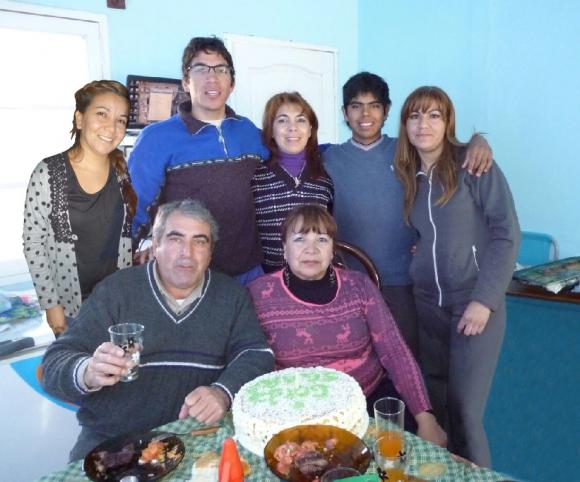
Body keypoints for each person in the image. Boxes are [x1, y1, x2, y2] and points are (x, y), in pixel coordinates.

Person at [41, 199, 275, 461]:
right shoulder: (115, 291)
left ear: (210, 252)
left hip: (197, 438)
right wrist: (88, 372)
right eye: (175, 239)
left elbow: (257, 354)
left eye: (200, 241)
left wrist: (223, 392)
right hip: (112, 443)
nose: (187, 253)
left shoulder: (231, 296)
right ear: (155, 245)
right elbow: (53, 365)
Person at [323, 72, 493, 358]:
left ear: (387, 110)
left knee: (405, 358)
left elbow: (447, 147)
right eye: (356, 106)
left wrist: (478, 140)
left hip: (404, 281)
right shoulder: (329, 157)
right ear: (344, 113)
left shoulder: (408, 151)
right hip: (350, 280)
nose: (365, 114)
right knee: (356, 358)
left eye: (374, 106)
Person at [247, 204, 447, 448]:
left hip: (366, 402)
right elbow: (247, 358)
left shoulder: (359, 286)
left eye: (322, 239)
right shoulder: (259, 294)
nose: (311, 249)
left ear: (332, 250)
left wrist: (426, 418)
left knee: (396, 460)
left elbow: (394, 351)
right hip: (295, 414)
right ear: (284, 249)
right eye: (299, 239)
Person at [394, 86, 520, 467]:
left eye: (434, 115)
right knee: (437, 405)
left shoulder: (474, 165)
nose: (424, 124)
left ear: (448, 122)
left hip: (473, 303)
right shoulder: (409, 174)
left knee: (465, 411)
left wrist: (484, 301)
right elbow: (426, 233)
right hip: (427, 305)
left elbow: (506, 233)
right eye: (415, 116)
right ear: (405, 125)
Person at [129, 36, 268, 285]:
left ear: (232, 83)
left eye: (221, 69)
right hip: (188, 275)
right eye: (201, 69)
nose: (212, 78)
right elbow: (135, 207)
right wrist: (130, 254)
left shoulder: (249, 132)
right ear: (186, 81)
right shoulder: (156, 138)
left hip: (249, 272)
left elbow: (285, 162)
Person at [22, 80, 136, 336]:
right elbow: (33, 243)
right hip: (70, 308)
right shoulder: (48, 173)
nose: (112, 128)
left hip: (115, 302)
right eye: (102, 114)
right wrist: (51, 305)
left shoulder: (121, 171)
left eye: (121, 120)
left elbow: (121, 238)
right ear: (80, 118)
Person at [252, 92, 334, 272]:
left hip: (317, 274)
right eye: (282, 120)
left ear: (311, 129)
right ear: (270, 130)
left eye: (301, 120)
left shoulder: (325, 174)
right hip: (271, 278)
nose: (292, 128)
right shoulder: (255, 176)